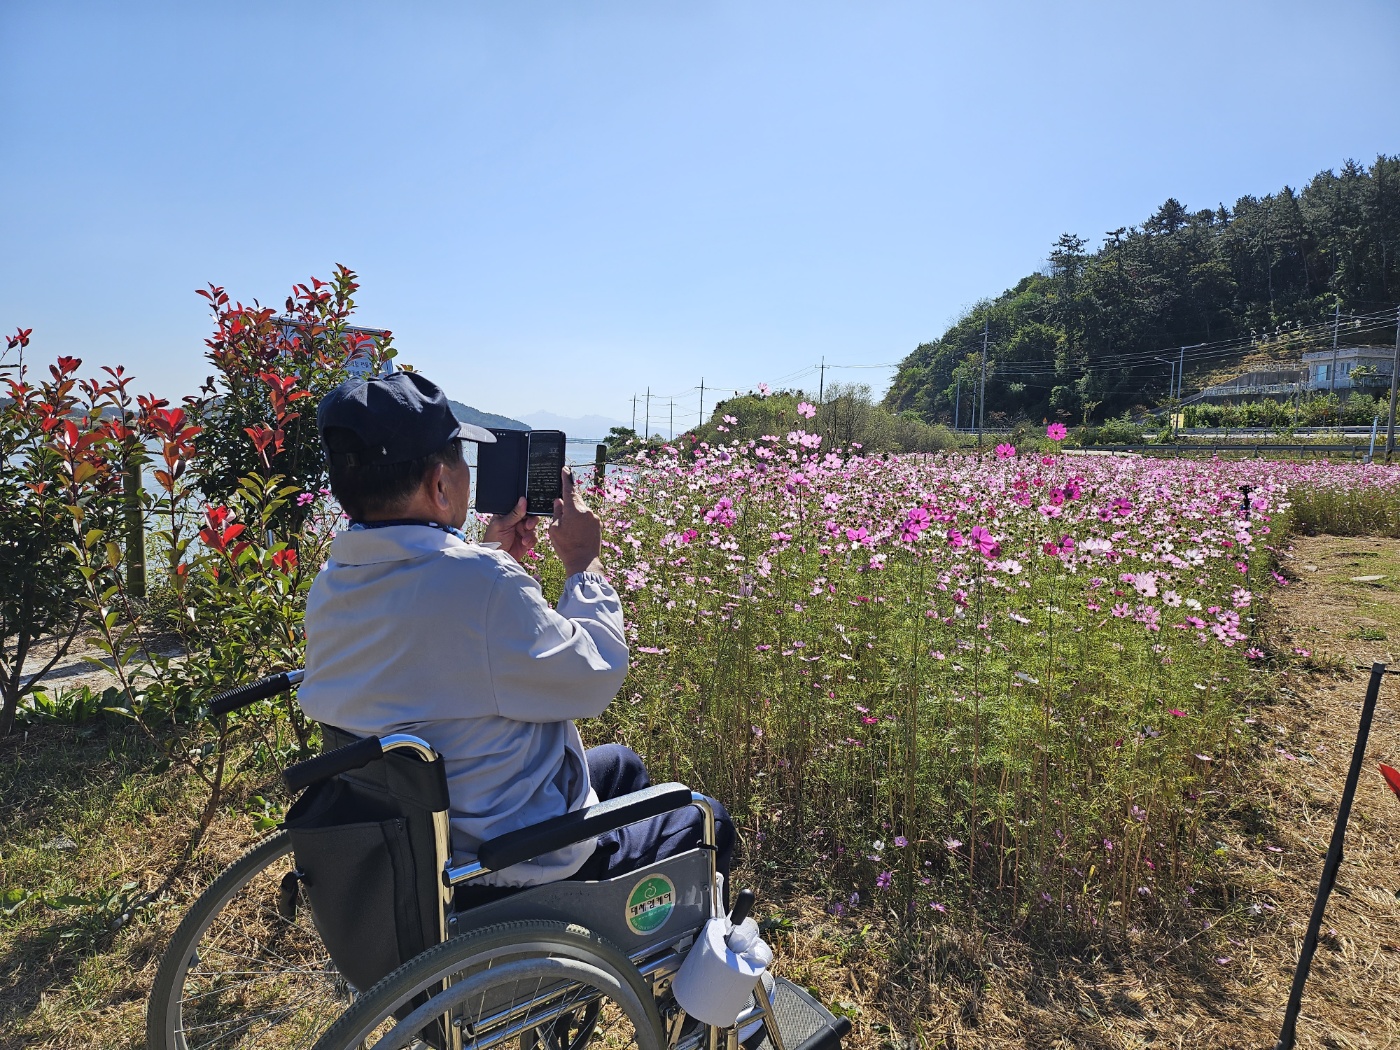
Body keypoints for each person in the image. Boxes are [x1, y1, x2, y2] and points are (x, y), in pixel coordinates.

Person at [297, 370, 734, 894]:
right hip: (506, 863)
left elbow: (434, 630)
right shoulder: (484, 584)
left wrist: (485, 556)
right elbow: (595, 677)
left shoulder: (332, 584)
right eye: (461, 458)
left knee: (620, 765)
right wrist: (583, 563)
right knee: (707, 818)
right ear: (439, 484)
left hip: (414, 851)